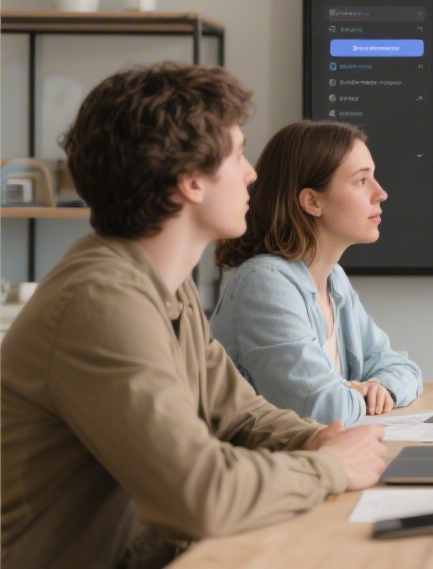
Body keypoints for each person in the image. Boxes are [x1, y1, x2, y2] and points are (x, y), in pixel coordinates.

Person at [0, 64, 386, 568]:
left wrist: (314, 437)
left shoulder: (165, 285)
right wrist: (329, 467)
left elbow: (237, 411)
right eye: (239, 154)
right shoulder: (101, 303)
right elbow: (199, 494)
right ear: (190, 183)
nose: (252, 173)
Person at [212, 121, 422, 425]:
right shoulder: (264, 283)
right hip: (274, 469)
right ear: (312, 201)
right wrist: (360, 397)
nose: (381, 193)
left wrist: (381, 387)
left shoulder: (333, 278)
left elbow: (404, 368)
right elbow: (323, 408)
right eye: (361, 181)